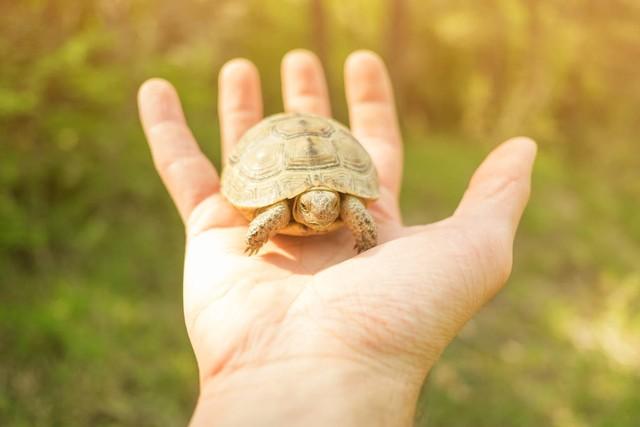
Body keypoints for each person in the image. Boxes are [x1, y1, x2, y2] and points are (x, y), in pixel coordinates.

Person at [137, 49, 536, 426]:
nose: (324, 213)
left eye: (331, 206)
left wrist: (366, 242)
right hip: (275, 193)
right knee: (275, 214)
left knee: (343, 209)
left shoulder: (343, 204)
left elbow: (354, 211)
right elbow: (273, 215)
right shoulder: (281, 209)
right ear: (301, 205)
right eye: (313, 208)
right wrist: (257, 236)